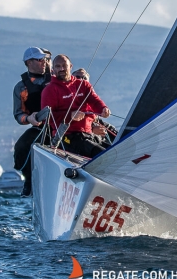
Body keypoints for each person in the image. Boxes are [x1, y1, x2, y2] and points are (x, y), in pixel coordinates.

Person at [41, 55, 111, 158]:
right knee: (104, 156)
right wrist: (70, 115)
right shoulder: (50, 90)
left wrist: (103, 109)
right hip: (68, 137)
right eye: (58, 66)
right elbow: (46, 118)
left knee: (116, 153)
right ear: (53, 69)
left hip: (89, 134)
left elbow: (95, 100)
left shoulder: (83, 85)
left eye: (64, 65)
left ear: (71, 66)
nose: (61, 69)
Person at [12, 47, 52, 196]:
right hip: (40, 127)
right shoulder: (21, 87)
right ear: (29, 62)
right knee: (22, 146)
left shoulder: (56, 79)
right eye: (40, 59)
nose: (44, 62)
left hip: (63, 125)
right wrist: (29, 118)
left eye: (46, 60)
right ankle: (28, 180)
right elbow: (18, 115)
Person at [72, 68, 118, 147]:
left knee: (120, 136)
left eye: (84, 78)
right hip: (79, 133)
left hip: (95, 123)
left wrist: (104, 109)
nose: (81, 80)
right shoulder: (67, 96)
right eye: (78, 77)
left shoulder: (90, 94)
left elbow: (97, 102)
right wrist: (92, 129)